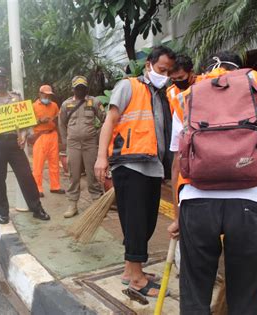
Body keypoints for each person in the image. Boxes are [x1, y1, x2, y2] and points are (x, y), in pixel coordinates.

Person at [168, 51, 257, 314]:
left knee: (194, 291)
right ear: (239, 67)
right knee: (246, 296)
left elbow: (176, 161)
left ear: (206, 69)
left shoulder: (188, 94)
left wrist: (177, 214)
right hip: (253, 199)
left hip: (196, 200)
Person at [94, 46, 176, 298]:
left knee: (144, 223)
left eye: (169, 71)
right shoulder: (129, 86)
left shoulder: (161, 94)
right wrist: (101, 158)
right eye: (161, 69)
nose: (165, 74)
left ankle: (131, 270)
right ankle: (137, 281)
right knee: (137, 222)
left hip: (152, 166)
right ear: (149, 64)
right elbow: (110, 120)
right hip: (129, 164)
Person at [0, 67, 50, 224]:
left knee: (26, 176)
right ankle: (3, 213)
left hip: (14, 143)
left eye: (2, 79)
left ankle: (37, 209)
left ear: (7, 81)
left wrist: (25, 136)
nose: (0, 82)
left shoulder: (16, 98)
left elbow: (25, 121)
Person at [58, 76, 105, 218]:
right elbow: (61, 123)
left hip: (90, 144)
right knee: (74, 174)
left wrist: (98, 136)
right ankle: (73, 204)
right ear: (73, 89)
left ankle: (97, 203)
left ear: (86, 88)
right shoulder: (67, 104)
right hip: (73, 144)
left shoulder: (94, 102)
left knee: (93, 174)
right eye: (78, 88)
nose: (80, 90)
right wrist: (66, 140)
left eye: (83, 88)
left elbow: (105, 119)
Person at [31, 85, 65, 197]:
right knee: (38, 164)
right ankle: (37, 188)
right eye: (45, 95)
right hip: (40, 136)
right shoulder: (33, 106)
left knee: (54, 162)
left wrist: (61, 137)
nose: (47, 97)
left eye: (49, 95)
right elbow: (28, 123)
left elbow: (59, 119)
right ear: (40, 94)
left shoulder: (54, 105)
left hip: (53, 135)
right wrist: (40, 121)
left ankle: (55, 186)